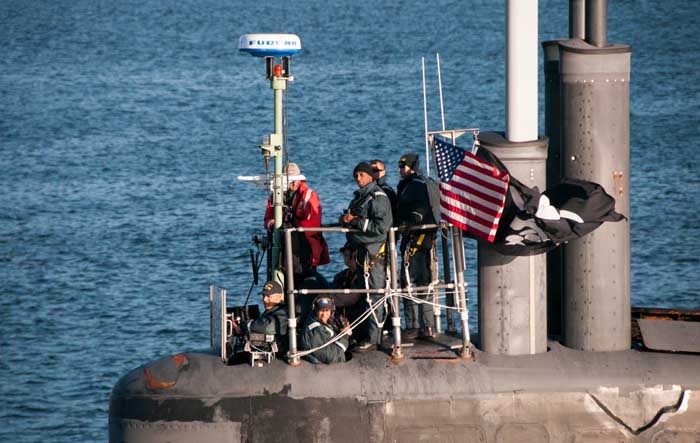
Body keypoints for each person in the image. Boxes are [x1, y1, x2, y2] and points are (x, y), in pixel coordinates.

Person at [340, 162, 393, 351]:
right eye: (356, 176)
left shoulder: (378, 198)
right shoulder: (361, 198)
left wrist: (355, 221)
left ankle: (374, 338)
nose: (358, 179)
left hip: (374, 255)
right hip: (362, 255)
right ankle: (366, 334)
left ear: (371, 177)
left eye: (361, 175)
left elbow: (381, 228)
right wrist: (346, 220)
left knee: (375, 296)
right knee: (366, 297)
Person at [396, 153, 437, 339]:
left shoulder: (416, 185)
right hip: (417, 240)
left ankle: (416, 325)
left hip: (418, 240)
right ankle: (423, 325)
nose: (400, 169)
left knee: (413, 281)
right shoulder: (411, 184)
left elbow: (420, 209)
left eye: (403, 166)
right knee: (419, 282)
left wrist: (410, 223)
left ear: (412, 167)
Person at [263, 162, 330, 271]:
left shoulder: (309, 196)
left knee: (304, 279)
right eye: (290, 180)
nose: (293, 183)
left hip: (305, 250)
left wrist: (291, 227)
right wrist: (274, 224)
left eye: (295, 180)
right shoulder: (275, 197)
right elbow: (267, 219)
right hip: (281, 249)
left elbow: (312, 225)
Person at [237, 281, 289, 355]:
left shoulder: (283, 312)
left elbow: (268, 327)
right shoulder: (271, 311)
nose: (264, 299)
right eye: (263, 296)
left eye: (268, 296)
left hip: (278, 355)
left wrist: (245, 325)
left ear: (280, 296)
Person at [300, 296, 351, 364]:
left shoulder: (318, 320)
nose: (324, 315)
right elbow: (332, 357)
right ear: (315, 310)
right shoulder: (316, 330)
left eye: (327, 310)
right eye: (321, 310)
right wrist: (345, 336)